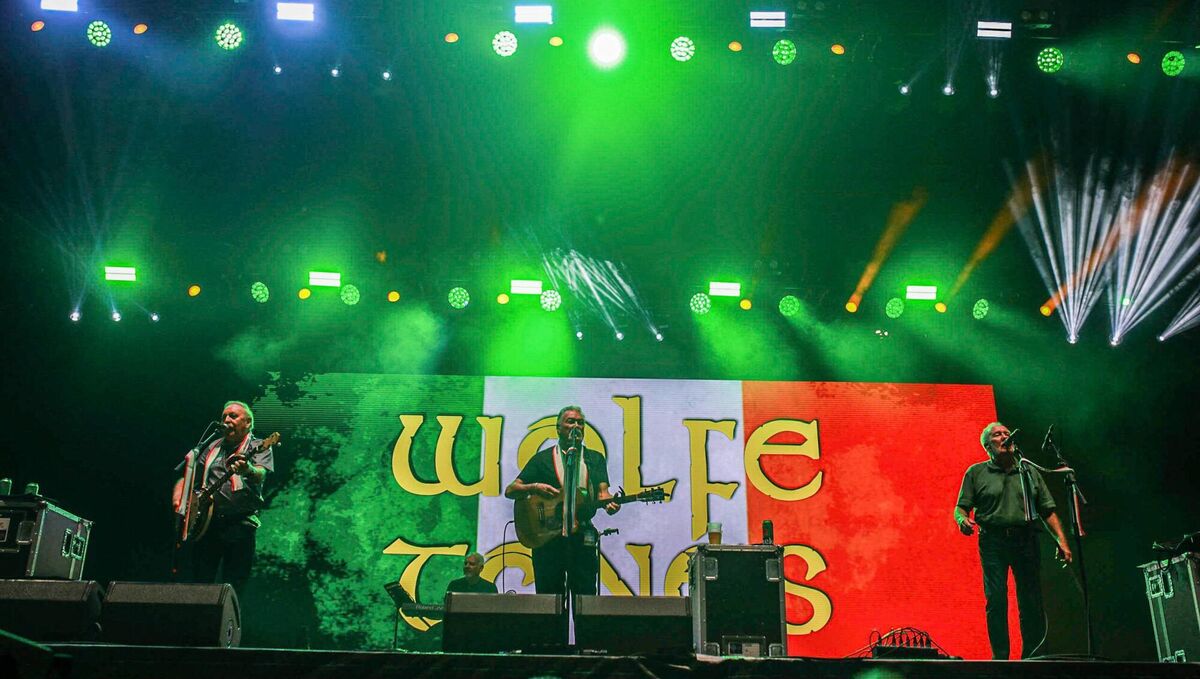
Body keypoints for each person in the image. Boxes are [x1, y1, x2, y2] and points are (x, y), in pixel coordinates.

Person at [954, 421, 1073, 660]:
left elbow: (1047, 510)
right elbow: (961, 507)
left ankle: (1032, 657)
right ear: (988, 446)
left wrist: (1062, 541)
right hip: (993, 542)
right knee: (996, 600)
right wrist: (962, 520)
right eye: (997, 435)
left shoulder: (1028, 471)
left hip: (1025, 540)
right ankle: (1001, 659)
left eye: (1006, 433)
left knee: (1030, 600)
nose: (1004, 437)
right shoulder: (976, 473)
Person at [504, 405, 619, 595]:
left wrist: (610, 504)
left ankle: (584, 625)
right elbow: (511, 490)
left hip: (582, 537)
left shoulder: (594, 458)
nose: (577, 426)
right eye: (571, 422)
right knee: (549, 598)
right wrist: (534, 487)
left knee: (586, 597)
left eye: (581, 423)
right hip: (547, 538)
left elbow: (603, 493)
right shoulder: (542, 459)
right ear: (558, 428)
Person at [174, 401, 275, 595]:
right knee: (200, 584)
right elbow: (188, 477)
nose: (227, 419)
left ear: (248, 423)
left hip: (240, 525)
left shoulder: (259, 446)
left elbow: (260, 474)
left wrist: (248, 469)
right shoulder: (212, 446)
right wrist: (179, 500)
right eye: (224, 416)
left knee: (234, 586)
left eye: (233, 416)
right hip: (207, 525)